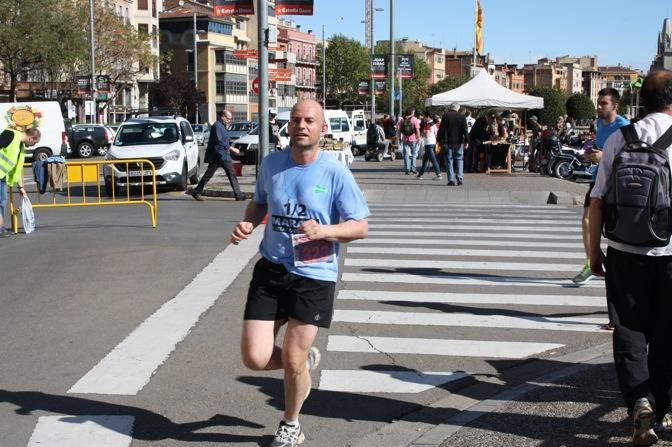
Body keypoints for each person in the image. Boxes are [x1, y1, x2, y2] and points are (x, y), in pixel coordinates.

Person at [230, 99, 369, 447]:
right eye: (295, 120)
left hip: (314, 273)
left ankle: (291, 423)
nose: (301, 125)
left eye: (309, 120)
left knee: (290, 357)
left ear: (323, 129)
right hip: (272, 269)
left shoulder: (335, 172)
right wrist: (249, 221)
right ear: (288, 126)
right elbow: (260, 201)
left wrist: (325, 232)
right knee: (254, 357)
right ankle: (301, 363)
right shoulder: (272, 164)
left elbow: (360, 226)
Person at [589, 70, 672, 446]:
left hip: (623, 251)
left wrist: (593, 254)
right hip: (669, 252)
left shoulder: (620, 139)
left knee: (629, 331)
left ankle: (640, 402)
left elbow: (596, 200)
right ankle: (665, 405)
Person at [572, 88, 629, 286]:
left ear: (615, 105)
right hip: (598, 178)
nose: (598, 107)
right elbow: (599, 147)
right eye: (598, 102)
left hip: (616, 182)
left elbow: (628, 156)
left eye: (603, 103)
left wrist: (602, 156)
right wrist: (590, 154)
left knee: (615, 227)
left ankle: (620, 268)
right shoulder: (598, 123)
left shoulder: (624, 126)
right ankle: (591, 262)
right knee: (586, 220)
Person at [191, 109, 246, 201]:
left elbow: (225, 140)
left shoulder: (222, 126)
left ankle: (197, 191)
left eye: (230, 119)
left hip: (222, 154)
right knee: (230, 173)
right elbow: (219, 141)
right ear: (223, 117)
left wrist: (231, 145)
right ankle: (238, 195)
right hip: (219, 154)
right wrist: (232, 149)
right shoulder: (217, 126)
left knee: (210, 174)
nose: (229, 121)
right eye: (228, 119)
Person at [0, 127, 40, 237]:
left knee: (2, 201)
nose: (33, 145)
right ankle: (0, 229)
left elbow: (18, 169)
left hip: (2, 176)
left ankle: (1, 228)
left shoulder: (20, 146)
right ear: (31, 138)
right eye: (35, 142)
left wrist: (21, 188)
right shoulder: (10, 134)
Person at [438, 103, 469, 185]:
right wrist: (467, 141)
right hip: (459, 141)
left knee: (449, 160)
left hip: (448, 142)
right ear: (458, 109)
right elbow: (465, 130)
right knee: (459, 159)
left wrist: (438, 139)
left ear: (450, 108)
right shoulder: (462, 116)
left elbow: (441, 129)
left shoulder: (446, 116)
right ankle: (459, 178)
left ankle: (451, 179)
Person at [416, 114, 441, 180]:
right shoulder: (434, 124)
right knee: (425, 160)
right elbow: (436, 133)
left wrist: (421, 134)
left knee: (433, 160)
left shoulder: (428, 124)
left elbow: (426, 134)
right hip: (433, 142)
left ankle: (438, 174)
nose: (423, 118)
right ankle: (420, 174)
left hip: (428, 143)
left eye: (424, 117)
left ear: (428, 117)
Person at [399, 107, 420, 175]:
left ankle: (407, 169)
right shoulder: (415, 120)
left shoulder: (402, 120)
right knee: (414, 153)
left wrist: (399, 137)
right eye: (413, 112)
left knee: (406, 154)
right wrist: (418, 138)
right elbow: (417, 130)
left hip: (405, 139)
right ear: (411, 113)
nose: (414, 113)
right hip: (413, 138)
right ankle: (413, 168)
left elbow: (399, 130)